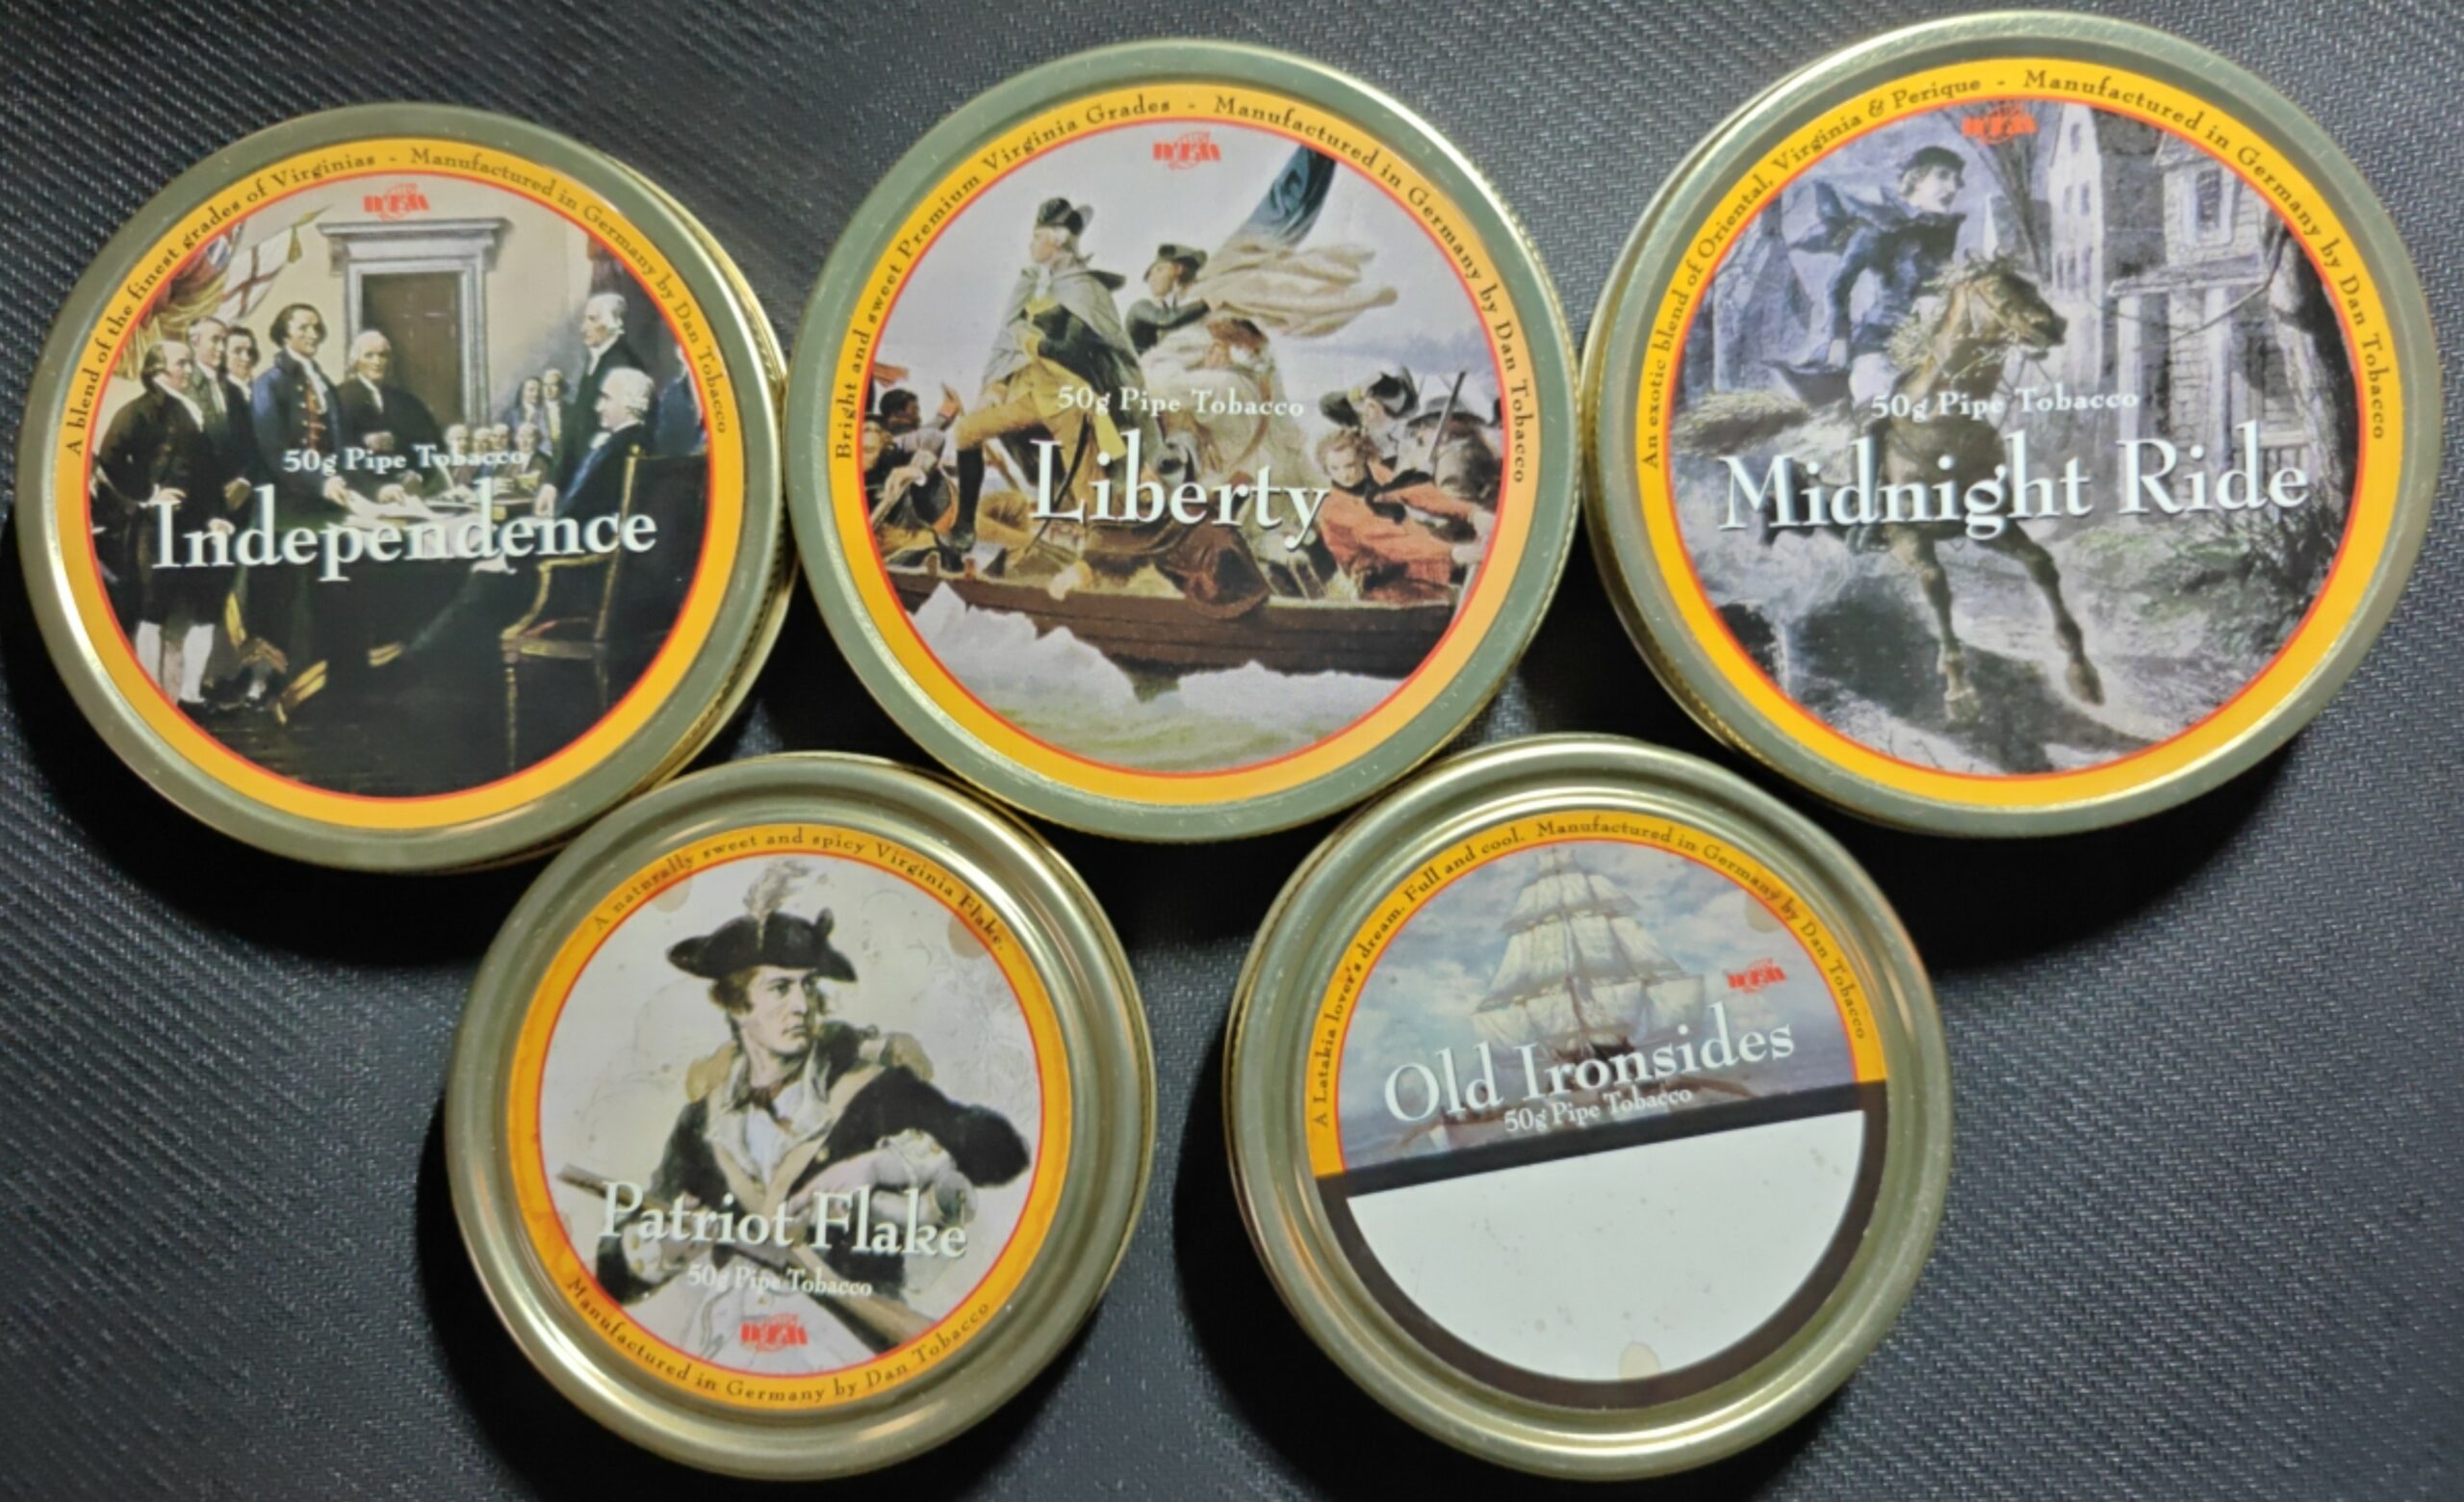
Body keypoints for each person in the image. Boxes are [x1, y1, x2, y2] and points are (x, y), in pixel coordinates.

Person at [595, 899, 1029, 1361]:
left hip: (851, 1356)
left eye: (807, 986)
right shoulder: (701, 1124)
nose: (801, 1005)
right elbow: (611, 1277)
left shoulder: (872, 1093)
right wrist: (664, 1246)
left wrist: (881, 1166)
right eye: (780, 988)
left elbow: (1003, 1151)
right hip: (730, 1354)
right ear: (737, 1005)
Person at [942, 196, 1151, 554]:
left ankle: (1104, 556)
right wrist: (997, 385)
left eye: (1037, 237)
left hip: (1071, 403)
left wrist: (1028, 340)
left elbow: (1073, 351)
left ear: (1056, 240)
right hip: (1030, 396)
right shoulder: (1031, 284)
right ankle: (965, 524)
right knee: (966, 431)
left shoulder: (1085, 290)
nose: (1031, 244)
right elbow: (1007, 340)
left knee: (1088, 495)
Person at [93, 341, 250, 701]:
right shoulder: (139, 411)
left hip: (198, 527)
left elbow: (207, 474)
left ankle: (190, 695)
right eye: (182, 364)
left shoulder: (189, 408)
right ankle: (151, 695)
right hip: (158, 526)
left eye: (189, 363)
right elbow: (111, 459)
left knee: (207, 608)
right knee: (154, 611)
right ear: (157, 370)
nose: (189, 370)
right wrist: (148, 495)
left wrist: (216, 516)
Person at [246, 302, 356, 705]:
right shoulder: (269, 383)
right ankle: (271, 684)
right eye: (303, 327)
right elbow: (274, 451)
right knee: (282, 596)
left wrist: (347, 481)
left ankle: (325, 683)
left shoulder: (322, 382)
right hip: (285, 506)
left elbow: (339, 446)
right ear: (284, 334)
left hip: (325, 507)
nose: (312, 334)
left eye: (316, 327)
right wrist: (321, 482)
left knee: (332, 588)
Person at [1309, 429, 1480, 604]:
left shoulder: (1375, 473)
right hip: (1382, 583)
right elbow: (1391, 543)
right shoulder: (1335, 509)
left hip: (1413, 563)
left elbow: (1416, 492)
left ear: (1362, 458)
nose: (1344, 474)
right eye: (1335, 469)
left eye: (1350, 465)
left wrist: (1471, 512)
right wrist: (1452, 552)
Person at [334, 329, 444, 489]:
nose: (377, 362)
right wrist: (364, 441)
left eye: (383, 355)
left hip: (404, 489)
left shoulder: (407, 401)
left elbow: (433, 444)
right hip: (359, 489)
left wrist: (419, 475)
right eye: (369, 355)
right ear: (356, 361)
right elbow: (333, 448)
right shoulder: (340, 397)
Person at [556, 293, 643, 485]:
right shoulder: (595, 360)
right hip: (584, 473)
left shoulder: (624, 363)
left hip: (606, 478)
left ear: (612, 323)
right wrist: (554, 483)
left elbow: (626, 434)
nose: (583, 328)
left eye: (592, 319)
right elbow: (578, 423)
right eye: (585, 319)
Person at [1318, 369, 1418, 466]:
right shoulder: (1365, 420)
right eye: (1364, 403)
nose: (1364, 410)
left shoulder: (1398, 440)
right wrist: (1355, 393)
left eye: (1372, 406)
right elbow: (1326, 404)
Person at [1124, 243, 1210, 354]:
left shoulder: (1185, 303)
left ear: (1178, 269)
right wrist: (1208, 302)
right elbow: (1166, 319)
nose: (1151, 279)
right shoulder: (1141, 307)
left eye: (1159, 270)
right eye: (1150, 275)